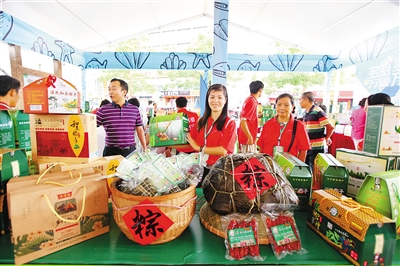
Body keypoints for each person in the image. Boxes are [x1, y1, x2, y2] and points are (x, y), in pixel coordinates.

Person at [186, 84, 237, 183]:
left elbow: (223, 150)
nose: (215, 101)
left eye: (219, 97)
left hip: (220, 171)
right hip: (200, 169)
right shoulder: (200, 122)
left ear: (225, 100)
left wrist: (200, 148)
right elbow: (190, 143)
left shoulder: (230, 123)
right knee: (199, 197)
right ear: (207, 99)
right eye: (212, 97)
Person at [96, 78, 146, 157]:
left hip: (130, 152)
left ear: (124, 92)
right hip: (111, 152)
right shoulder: (103, 110)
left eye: (114, 89)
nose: (110, 92)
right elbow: (91, 126)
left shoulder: (134, 110)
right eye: (109, 89)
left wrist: (144, 147)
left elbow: (139, 129)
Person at [257, 93, 310, 161]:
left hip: (288, 169)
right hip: (269, 167)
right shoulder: (268, 124)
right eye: (279, 104)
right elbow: (261, 147)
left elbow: (303, 150)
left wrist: (299, 168)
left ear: (292, 107)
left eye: (286, 105)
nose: (282, 108)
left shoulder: (299, 126)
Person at [299, 91, 334, 170]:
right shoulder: (305, 113)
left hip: (317, 148)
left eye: (300, 99)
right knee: (308, 170)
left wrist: (326, 138)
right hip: (308, 147)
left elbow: (330, 127)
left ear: (306, 100)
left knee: (316, 171)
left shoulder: (318, 111)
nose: (299, 102)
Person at [237, 80, 264, 153]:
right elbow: (243, 120)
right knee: (249, 162)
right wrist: (249, 137)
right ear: (260, 90)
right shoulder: (251, 101)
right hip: (247, 140)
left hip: (247, 138)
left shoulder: (250, 100)